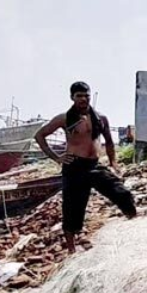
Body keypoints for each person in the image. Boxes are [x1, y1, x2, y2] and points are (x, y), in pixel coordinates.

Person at [34, 82, 137, 254]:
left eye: (86, 95)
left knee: (122, 193)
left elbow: (109, 142)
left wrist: (113, 163)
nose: (83, 99)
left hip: (94, 165)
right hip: (74, 166)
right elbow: (40, 136)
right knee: (72, 208)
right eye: (79, 96)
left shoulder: (101, 118)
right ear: (72, 98)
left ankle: (135, 224)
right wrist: (56, 157)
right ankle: (71, 250)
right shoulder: (65, 118)